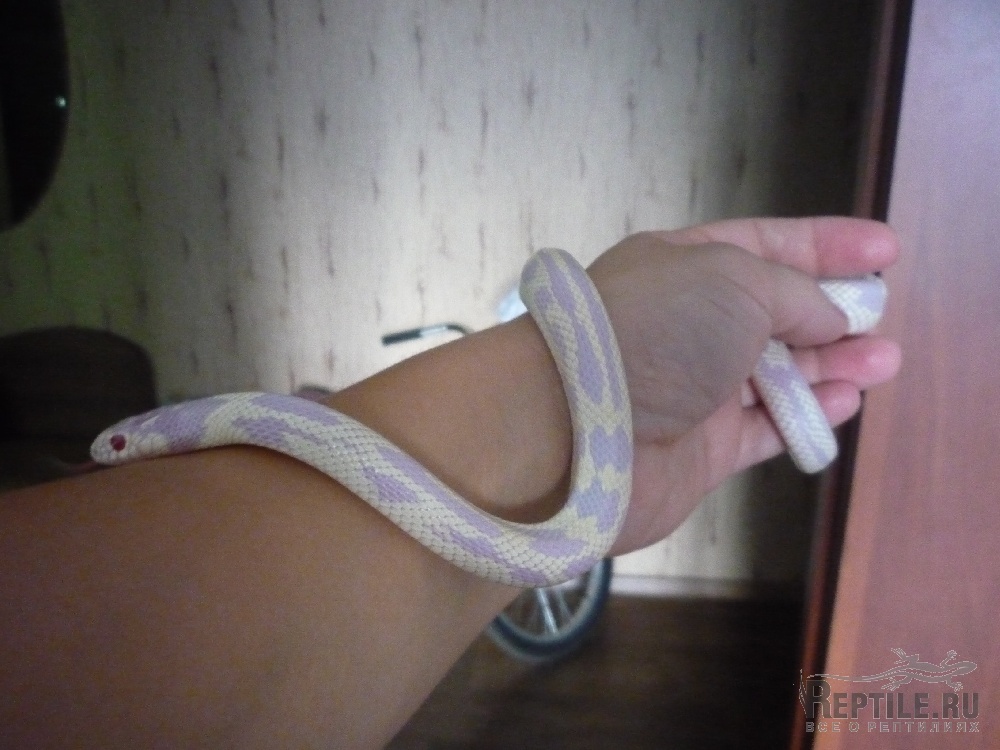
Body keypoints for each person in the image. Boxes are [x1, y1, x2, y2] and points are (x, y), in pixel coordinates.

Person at [0, 217, 900, 748]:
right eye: (124, 444)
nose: (113, 449)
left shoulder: (262, 426)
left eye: (127, 441)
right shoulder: (258, 424)